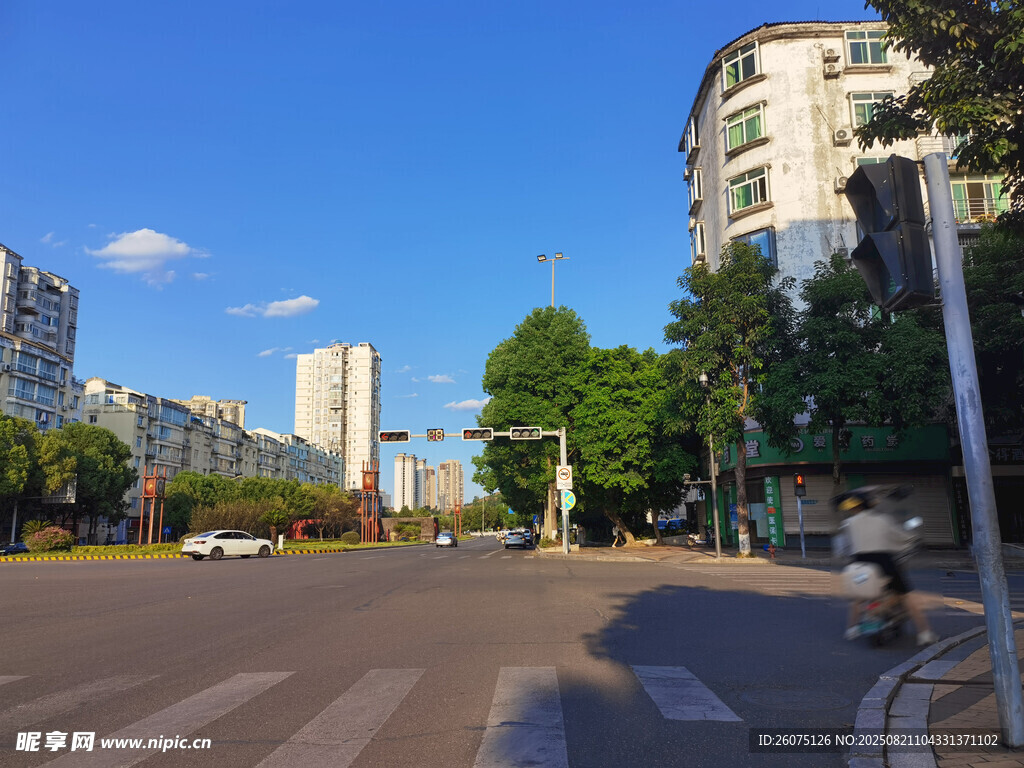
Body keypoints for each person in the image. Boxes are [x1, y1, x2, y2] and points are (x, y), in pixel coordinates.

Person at [838, 491, 938, 646]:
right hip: (883, 562)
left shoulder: (849, 523)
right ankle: (924, 633)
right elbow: (901, 537)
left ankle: (852, 628)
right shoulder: (882, 520)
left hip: (859, 564)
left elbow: (844, 546)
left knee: (859, 596)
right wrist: (914, 539)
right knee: (907, 597)